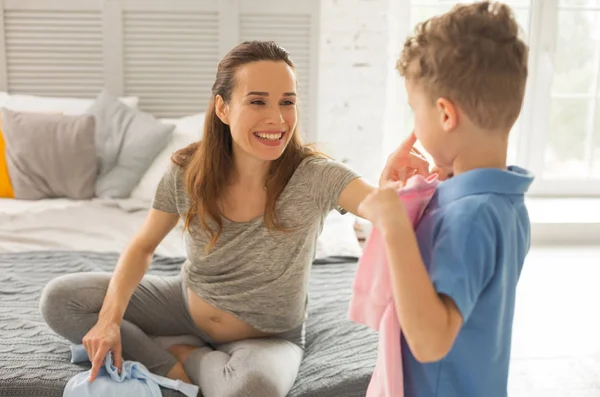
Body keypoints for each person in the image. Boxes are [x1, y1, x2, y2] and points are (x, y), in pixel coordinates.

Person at [39, 40, 428, 397]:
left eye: (287, 102)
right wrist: (109, 321)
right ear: (223, 108)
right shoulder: (187, 170)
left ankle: (185, 356)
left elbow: (378, 207)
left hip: (268, 337)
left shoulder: (316, 174)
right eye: (258, 101)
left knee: (252, 391)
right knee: (61, 299)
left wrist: (390, 188)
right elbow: (142, 246)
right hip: (185, 305)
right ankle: (172, 363)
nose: (277, 119)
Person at [357, 2, 533, 396]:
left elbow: (431, 341)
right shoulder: (504, 200)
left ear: (445, 114)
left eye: (414, 112)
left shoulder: (469, 215)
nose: (414, 127)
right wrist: (411, 197)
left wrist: (396, 223)